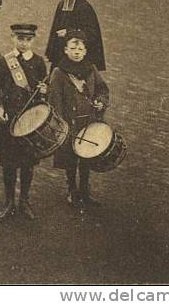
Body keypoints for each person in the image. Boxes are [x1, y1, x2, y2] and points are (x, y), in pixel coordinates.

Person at [0, 23, 48, 221]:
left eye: (28, 40)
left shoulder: (39, 63)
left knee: (27, 162)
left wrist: (43, 92)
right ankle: (9, 202)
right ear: (13, 38)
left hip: (30, 120)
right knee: (8, 162)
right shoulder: (4, 62)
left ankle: (24, 200)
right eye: (20, 39)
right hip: (9, 119)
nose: (24, 43)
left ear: (33, 40)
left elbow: (43, 91)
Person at [48, 30, 109, 210]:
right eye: (73, 48)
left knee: (86, 156)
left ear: (85, 51)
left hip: (88, 122)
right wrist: (60, 124)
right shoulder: (59, 73)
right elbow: (55, 101)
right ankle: (72, 189)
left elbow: (102, 89)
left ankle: (85, 190)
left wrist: (101, 103)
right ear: (65, 50)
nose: (77, 52)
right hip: (70, 123)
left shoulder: (91, 69)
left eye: (80, 48)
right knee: (71, 158)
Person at [46, 0, 106, 72]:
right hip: (61, 56)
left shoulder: (84, 7)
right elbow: (54, 30)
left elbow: (92, 34)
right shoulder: (61, 4)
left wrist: (69, 33)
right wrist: (51, 53)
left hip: (77, 58)